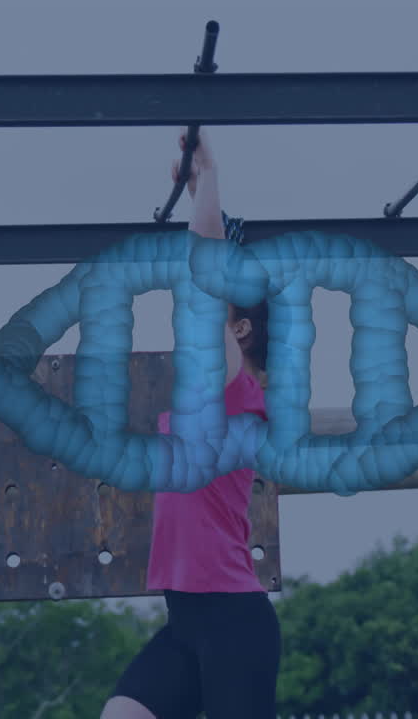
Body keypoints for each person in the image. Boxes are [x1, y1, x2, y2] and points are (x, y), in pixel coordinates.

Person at [100, 129, 280, 719]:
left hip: (233, 623)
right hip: (186, 619)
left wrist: (207, 180)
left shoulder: (236, 395)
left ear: (241, 331)